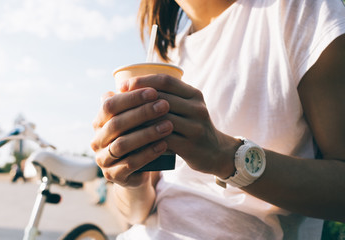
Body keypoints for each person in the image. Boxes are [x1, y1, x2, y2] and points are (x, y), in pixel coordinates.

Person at [91, 0, 345, 239]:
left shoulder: (300, 9)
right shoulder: (168, 55)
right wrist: (130, 176)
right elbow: (138, 213)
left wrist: (226, 156)